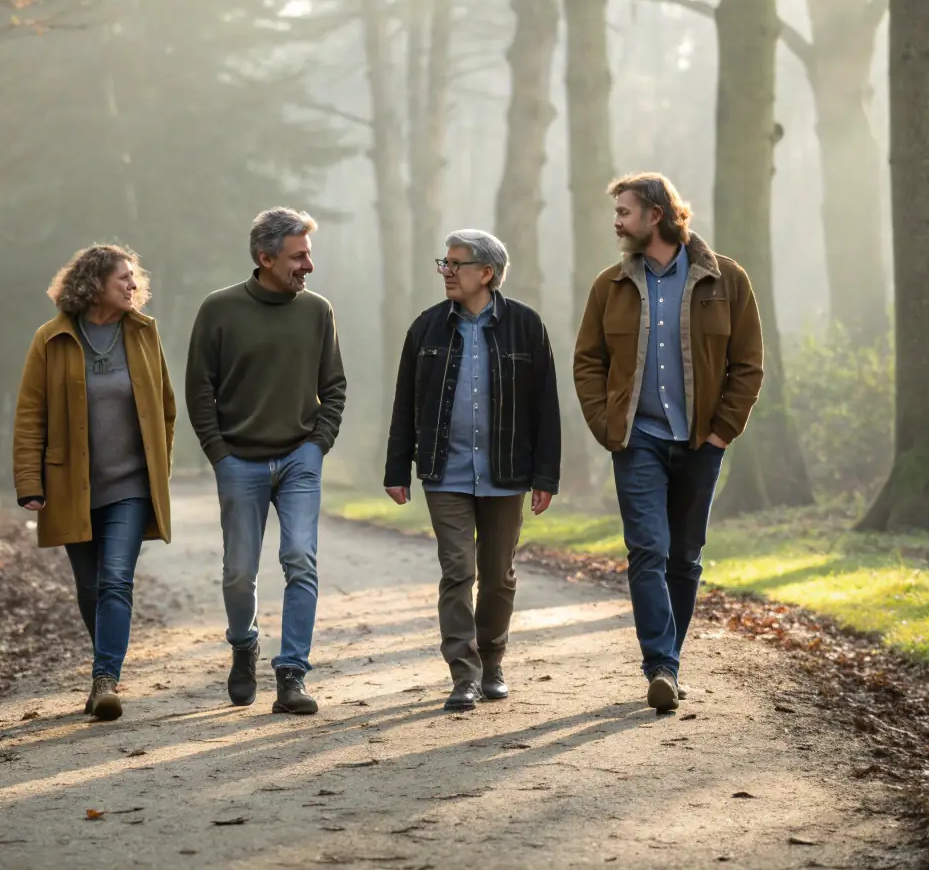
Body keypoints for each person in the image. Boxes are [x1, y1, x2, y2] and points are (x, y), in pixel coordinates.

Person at [573, 173, 763, 713]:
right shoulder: (608, 285)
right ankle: (659, 664)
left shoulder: (727, 280)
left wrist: (723, 429)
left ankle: (669, 666)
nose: (616, 222)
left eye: (624, 212)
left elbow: (747, 364)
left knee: (685, 556)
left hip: (703, 441)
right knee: (647, 550)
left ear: (655, 215)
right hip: (638, 441)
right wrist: (608, 424)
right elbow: (588, 361)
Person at [383, 229, 560, 713]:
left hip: (506, 473)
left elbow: (547, 407)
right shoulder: (426, 329)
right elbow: (406, 404)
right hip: (445, 470)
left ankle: (493, 662)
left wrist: (547, 475)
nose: (446, 271)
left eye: (455, 264)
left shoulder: (526, 326)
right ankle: (463, 674)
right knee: (457, 571)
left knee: (498, 575)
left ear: (487, 273)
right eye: (444, 262)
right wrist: (396, 467)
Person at [185, 207, 346, 715]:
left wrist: (317, 444)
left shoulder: (317, 311)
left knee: (300, 559)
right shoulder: (219, 309)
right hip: (240, 460)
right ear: (265, 258)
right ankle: (243, 644)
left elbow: (334, 387)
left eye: (309, 256)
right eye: (299, 257)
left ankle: (292, 673)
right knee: (239, 571)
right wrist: (219, 454)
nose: (308, 267)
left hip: (299, 456)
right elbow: (198, 388)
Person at [12, 244, 176, 722]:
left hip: (130, 484)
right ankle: (105, 664)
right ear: (94, 284)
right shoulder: (52, 339)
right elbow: (29, 416)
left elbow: (165, 408)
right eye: (122, 278)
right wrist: (29, 481)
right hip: (71, 485)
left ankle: (105, 679)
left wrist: (156, 469)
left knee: (115, 580)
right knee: (89, 587)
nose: (132, 285)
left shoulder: (144, 334)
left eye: (134, 278)